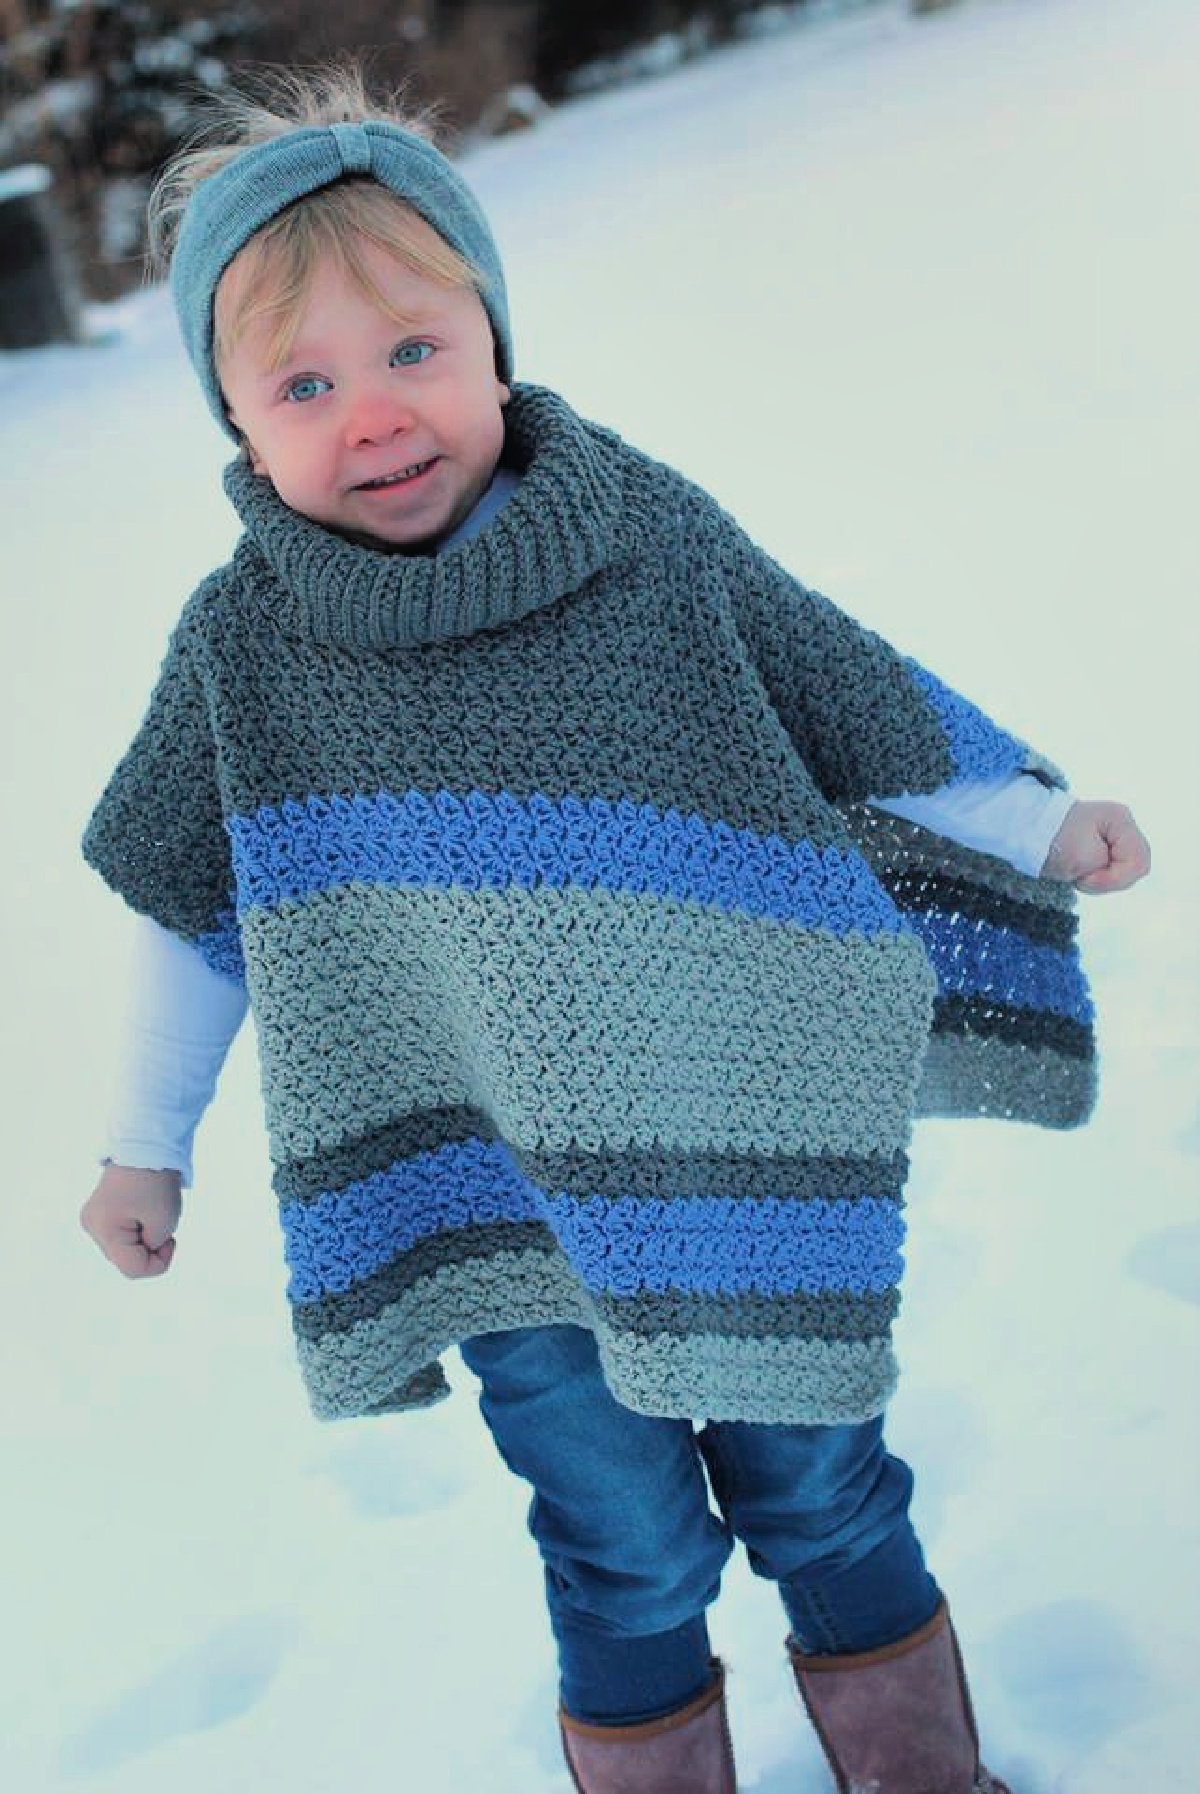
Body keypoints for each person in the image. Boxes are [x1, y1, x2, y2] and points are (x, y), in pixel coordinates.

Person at [77, 66, 1150, 1794]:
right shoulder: (246, 649)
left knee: (821, 1483)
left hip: (735, 1157)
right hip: (491, 1195)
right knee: (616, 1533)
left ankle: (922, 1769)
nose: (375, 414)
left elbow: (841, 687)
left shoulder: (633, 536)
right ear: (237, 422)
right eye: (304, 383)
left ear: (492, 340)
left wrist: (1033, 814)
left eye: (415, 351)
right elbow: (194, 907)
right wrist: (145, 1145)